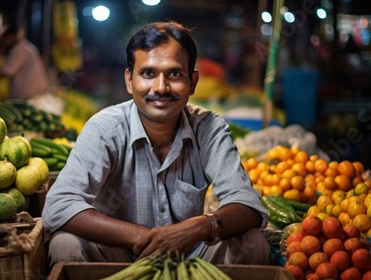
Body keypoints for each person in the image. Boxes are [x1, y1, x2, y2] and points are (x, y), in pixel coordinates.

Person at [42, 21, 270, 266]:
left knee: (253, 242)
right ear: (130, 80)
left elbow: (248, 205)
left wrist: (199, 227)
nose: (161, 88)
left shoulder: (209, 128)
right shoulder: (104, 128)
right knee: (65, 244)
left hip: (191, 258)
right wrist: (141, 237)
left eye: (174, 74)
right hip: (118, 259)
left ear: (192, 82)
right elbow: (59, 204)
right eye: (148, 74)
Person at [0, 25, 50, 100]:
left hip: (32, 94)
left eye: (4, 39)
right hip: (32, 93)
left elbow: (6, 72)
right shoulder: (23, 46)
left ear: (11, 37)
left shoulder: (20, 49)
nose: (4, 42)